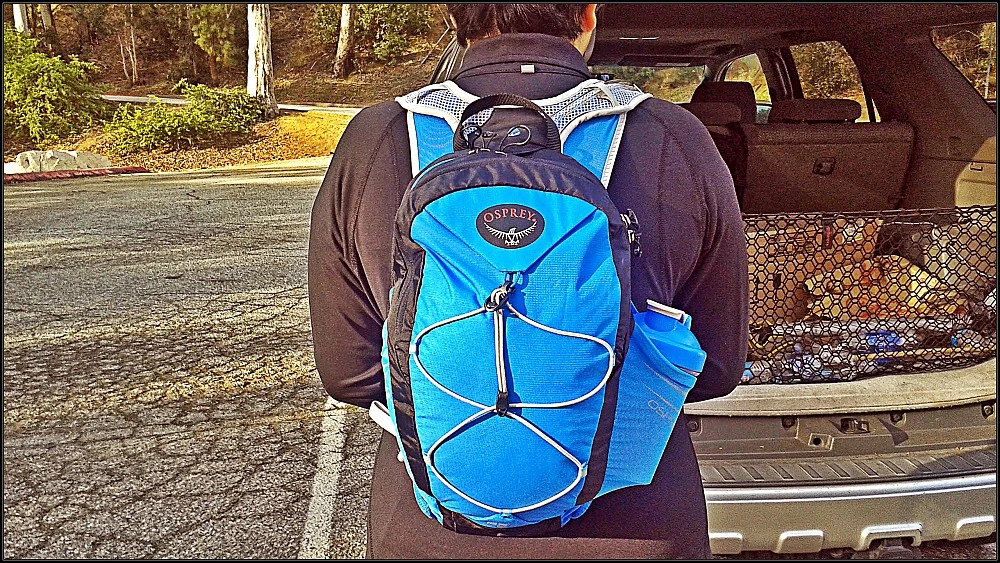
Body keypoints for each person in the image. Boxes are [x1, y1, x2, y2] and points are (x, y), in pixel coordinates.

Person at [308, 4, 748, 559]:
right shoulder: (673, 135)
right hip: (636, 522)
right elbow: (716, 367)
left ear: (453, 16)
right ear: (587, 14)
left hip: (431, 522)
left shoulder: (376, 136)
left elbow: (349, 375)